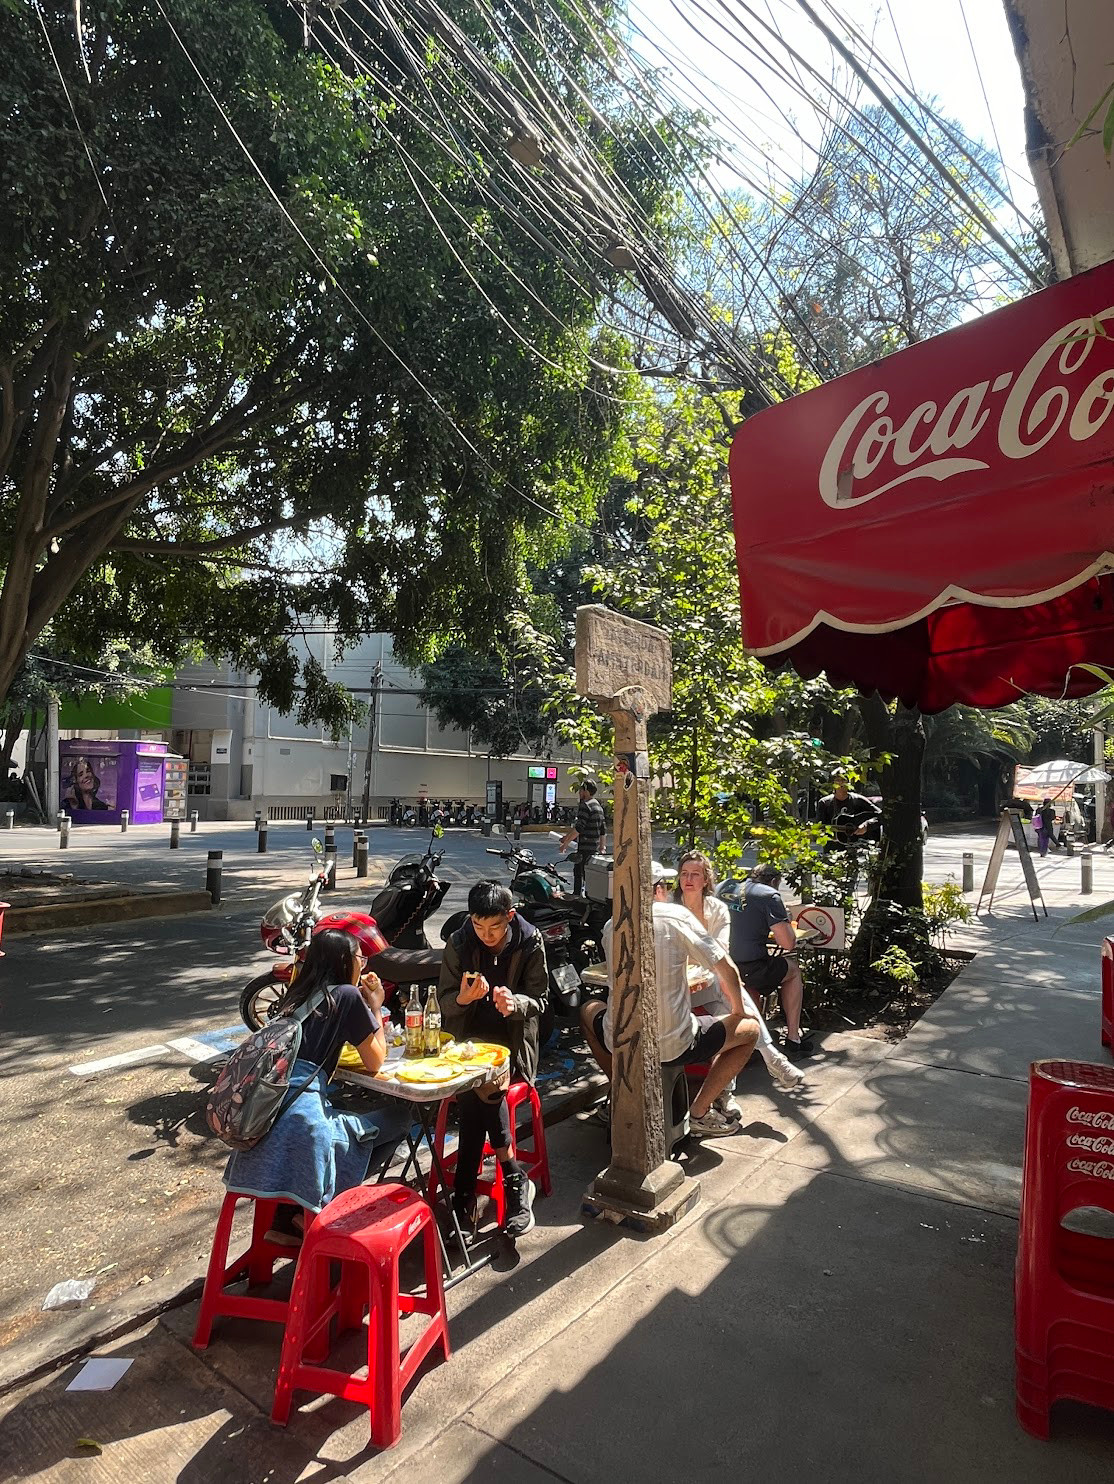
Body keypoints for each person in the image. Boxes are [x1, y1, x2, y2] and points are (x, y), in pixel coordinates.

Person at [223, 928, 411, 1246]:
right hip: (303, 1125)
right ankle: (327, 1205)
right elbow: (376, 1062)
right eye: (360, 958)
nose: (363, 965)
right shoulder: (348, 996)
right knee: (400, 1118)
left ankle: (291, 1212)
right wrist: (376, 1006)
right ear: (345, 962)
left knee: (346, 1114)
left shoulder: (298, 993)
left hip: (263, 1118)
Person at [580, 863, 761, 1138]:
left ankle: (618, 1091)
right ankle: (700, 1111)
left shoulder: (610, 924)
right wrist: (738, 1011)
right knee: (750, 1031)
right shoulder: (676, 916)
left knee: (587, 1010)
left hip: (618, 1039)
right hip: (673, 1044)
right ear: (660, 889)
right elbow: (726, 969)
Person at [439, 881, 548, 1238]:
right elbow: (444, 1001)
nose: (486, 935)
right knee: (478, 1087)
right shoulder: (459, 942)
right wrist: (463, 1000)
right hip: (468, 1044)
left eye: (496, 927)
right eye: (479, 925)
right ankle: (513, 1176)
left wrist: (517, 1004)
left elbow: (541, 1000)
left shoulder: (530, 941)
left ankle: (465, 1194)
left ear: (510, 917)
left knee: (485, 1087)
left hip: (515, 1046)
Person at [674, 850, 804, 1111]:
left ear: (706, 879)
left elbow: (719, 951)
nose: (688, 879)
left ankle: (726, 1093)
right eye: (684, 874)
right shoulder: (671, 909)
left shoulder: (718, 909)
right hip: (678, 987)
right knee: (730, 993)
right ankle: (771, 1057)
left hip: (707, 982)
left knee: (734, 1016)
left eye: (695, 874)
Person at [732, 863, 814, 1061]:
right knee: (793, 970)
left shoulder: (728, 887)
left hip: (725, 964)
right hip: (750, 967)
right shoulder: (769, 895)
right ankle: (793, 1039)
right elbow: (787, 943)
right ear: (774, 881)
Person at [559, 781, 608, 896]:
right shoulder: (598, 806)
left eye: (581, 790)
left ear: (586, 791)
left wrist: (566, 843)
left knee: (578, 873)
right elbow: (603, 829)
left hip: (585, 848)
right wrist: (602, 847)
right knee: (588, 875)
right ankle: (591, 896)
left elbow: (579, 828)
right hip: (594, 849)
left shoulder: (585, 805)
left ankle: (577, 898)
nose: (579, 793)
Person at [816, 773, 880, 847]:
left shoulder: (858, 800)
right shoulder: (824, 803)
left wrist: (867, 825)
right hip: (832, 847)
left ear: (849, 783)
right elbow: (820, 828)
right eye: (838, 780)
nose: (841, 783)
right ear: (832, 783)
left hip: (858, 846)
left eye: (844, 780)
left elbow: (881, 815)